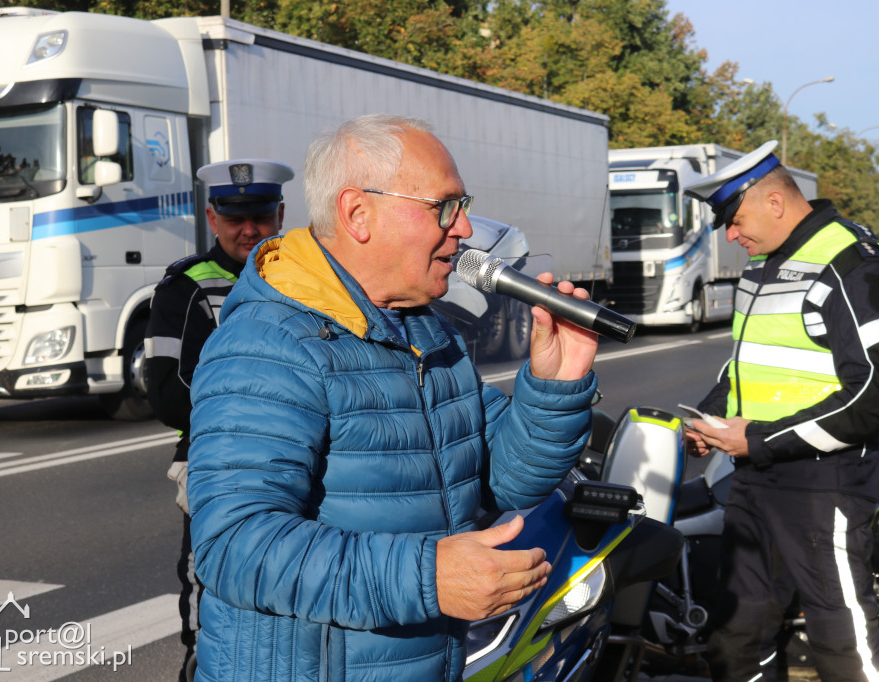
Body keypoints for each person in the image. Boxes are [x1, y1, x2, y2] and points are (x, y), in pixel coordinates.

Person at [186, 114, 600, 682]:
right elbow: (234, 543)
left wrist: (555, 384)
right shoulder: (269, 341)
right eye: (445, 207)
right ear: (359, 213)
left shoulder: (424, 330)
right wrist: (428, 578)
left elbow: (506, 479)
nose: (464, 228)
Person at [683, 141, 879, 682]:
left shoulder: (853, 265)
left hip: (823, 485)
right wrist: (709, 419)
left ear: (776, 202)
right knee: (737, 638)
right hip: (752, 480)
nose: (730, 236)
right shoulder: (763, 266)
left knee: (843, 641)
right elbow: (749, 366)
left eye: (735, 220)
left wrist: (760, 439)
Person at [143, 157, 294, 682]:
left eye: (260, 216)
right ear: (212, 218)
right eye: (235, 218)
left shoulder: (306, 282)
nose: (249, 230)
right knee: (212, 581)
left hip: (306, 463)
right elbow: (166, 393)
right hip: (217, 464)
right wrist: (268, 411)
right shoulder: (184, 288)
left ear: (280, 214)